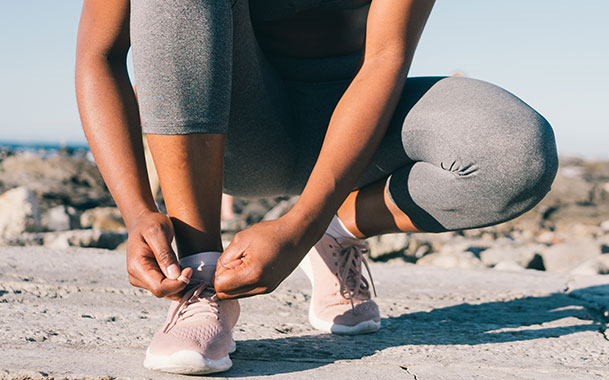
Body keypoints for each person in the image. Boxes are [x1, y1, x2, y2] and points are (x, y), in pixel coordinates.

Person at [75, 0, 558, 374]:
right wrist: (137, 209)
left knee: (516, 154)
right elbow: (101, 54)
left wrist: (304, 223)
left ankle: (335, 231)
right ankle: (203, 280)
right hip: (236, 131)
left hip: (358, 128)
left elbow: (385, 58)